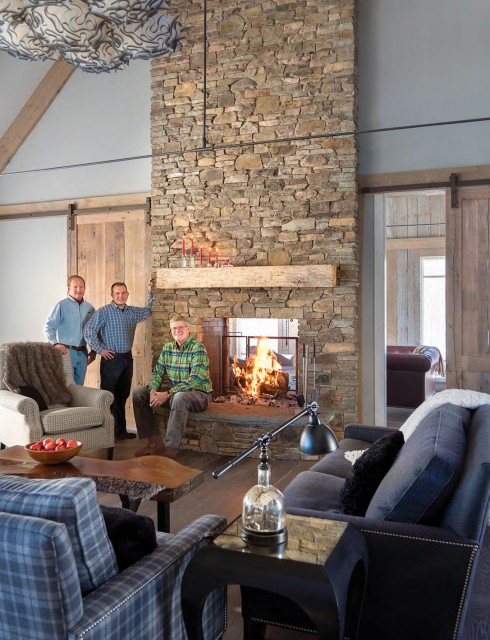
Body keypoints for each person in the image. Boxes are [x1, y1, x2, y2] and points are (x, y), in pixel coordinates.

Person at [133, 315, 213, 458]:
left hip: (199, 395)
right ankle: (154, 441)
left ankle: (170, 448)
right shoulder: (168, 348)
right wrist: (152, 390)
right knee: (139, 393)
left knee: (179, 397)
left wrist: (167, 394)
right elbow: (158, 372)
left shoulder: (198, 349)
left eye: (180, 327)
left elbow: (195, 380)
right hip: (175, 393)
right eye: (174, 328)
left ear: (188, 329)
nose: (177, 331)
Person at [84, 279, 154, 440]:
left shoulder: (132, 312)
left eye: (123, 293)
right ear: (112, 295)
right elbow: (89, 331)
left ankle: (120, 432)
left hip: (127, 359)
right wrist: (100, 349)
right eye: (117, 293)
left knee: (122, 396)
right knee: (108, 397)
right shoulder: (104, 312)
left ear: (127, 294)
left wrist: (150, 292)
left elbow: (148, 310)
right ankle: (104, 433)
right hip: (112, 360)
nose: (121, 296)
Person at [44, 275, 96, 385]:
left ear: (84, 288)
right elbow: (49, 327)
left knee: (79, 388)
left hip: (83, 353)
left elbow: (93, 331)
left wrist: (94, 350)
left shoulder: (90, 308)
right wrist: (55, 343)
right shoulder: (60, 305)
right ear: (68, 289)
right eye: (75, 287)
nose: (79, 290)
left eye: (81, 287)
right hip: (66, 352)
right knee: (65, 387)